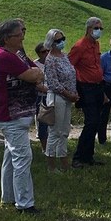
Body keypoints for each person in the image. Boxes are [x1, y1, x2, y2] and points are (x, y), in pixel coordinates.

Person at [0, 19, 43, 214]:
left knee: (11, 155)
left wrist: (34, 73)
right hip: (10, 115)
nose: (23, 36)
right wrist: (33, 74)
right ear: (7, 38)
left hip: (17, 115)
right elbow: (32, 75)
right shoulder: (4, 56)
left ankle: (8, 197)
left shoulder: (17, 54)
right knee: (23, 157)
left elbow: (37, 72)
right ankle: (24, 204)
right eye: (19, 34)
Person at [67, 16, 105, 167]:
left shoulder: (96, 44)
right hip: (86, 87)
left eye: (101, 28)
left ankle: (88, 156)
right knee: (91, 122)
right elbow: (69, 66)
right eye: (97, 28)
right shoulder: (80, 46)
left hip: (97, 86)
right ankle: (78, 157)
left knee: (96, 123)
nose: (99, 31)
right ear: (89, 29)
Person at [42, 28, 78, 172]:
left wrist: (73, 94)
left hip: (68, 97)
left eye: (63, 39)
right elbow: (53, 83)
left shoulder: (64, 56)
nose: (61, 42)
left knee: (64, 131)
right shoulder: (50, 60)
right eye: (58, 40)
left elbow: (71, 75)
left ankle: (63, 161)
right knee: (55, 132)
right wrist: (68, 94)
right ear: (51, 42)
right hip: (57, 98)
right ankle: (51, 165)